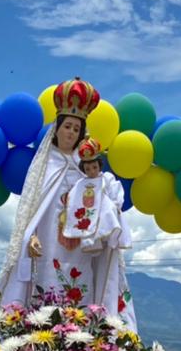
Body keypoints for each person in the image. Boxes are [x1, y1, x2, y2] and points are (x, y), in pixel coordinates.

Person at [0, 78, 103, 311]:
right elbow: (33, 207)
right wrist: (30, 235)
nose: (71, 133)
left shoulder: (84, 165)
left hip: (79, 248)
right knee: (44, 291)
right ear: (57, 128)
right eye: (67, 126)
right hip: (46, 242)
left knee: (78, 291)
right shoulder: (45, 164)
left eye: (76, 128)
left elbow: (97, 202)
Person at [58, 136, 136, 324]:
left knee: (108, 274)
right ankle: (91, 313)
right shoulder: (80, 184)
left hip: (107, 230)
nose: (91, 171)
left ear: (100, 166)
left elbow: (117, 199)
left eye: (94, 167)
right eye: (87, 168)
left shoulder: (107, 179)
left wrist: (107, 207)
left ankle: (109, 315)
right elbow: (74, 202)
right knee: (88, 274)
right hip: (88, 232)